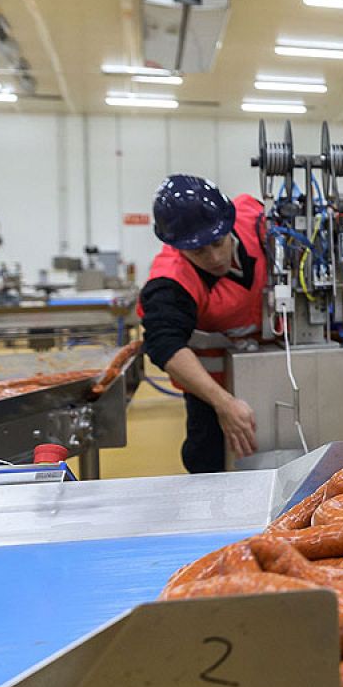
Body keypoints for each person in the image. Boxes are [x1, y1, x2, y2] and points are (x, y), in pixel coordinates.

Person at [137, 175, 264, 471]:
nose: (215, 257)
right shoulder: (170, 282)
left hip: (280, 368)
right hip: (211, 390)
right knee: (208, 461)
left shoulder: (254, 218)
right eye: (199, 252)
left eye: (219, 242)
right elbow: (163, 343)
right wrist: (223, 403)